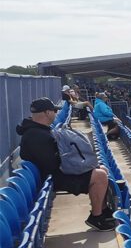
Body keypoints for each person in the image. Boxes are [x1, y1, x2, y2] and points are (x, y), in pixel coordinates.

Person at [17, 98, 114, 231]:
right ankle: (96, 218)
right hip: (52, 177)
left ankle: (103, 210)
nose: (56, 114)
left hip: (52, 174)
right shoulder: (36, 135)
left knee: (101, 169)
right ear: (46, 113)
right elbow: (52, 164)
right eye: (54, 111)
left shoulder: (36, 130)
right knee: (99, 175)